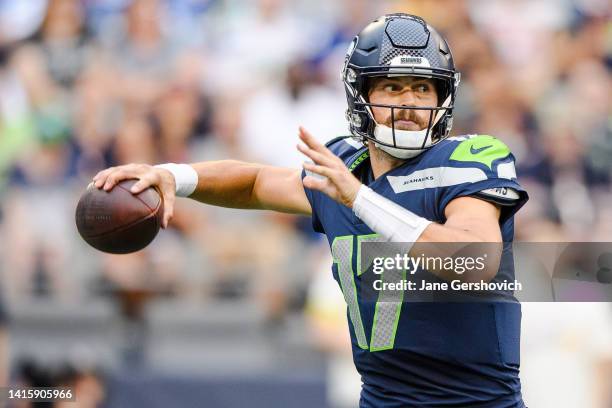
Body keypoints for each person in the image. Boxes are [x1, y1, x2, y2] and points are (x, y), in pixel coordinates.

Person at [93, 13, 529, 407]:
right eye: (392, 86)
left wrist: (358, 199)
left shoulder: (468, 159)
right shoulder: (345, 167)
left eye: (422, 88)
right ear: (361, 94)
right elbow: (255, 182)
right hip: (381, 400)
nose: (409, 103)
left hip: (476, 402)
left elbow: (474, 260)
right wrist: (174, 175)